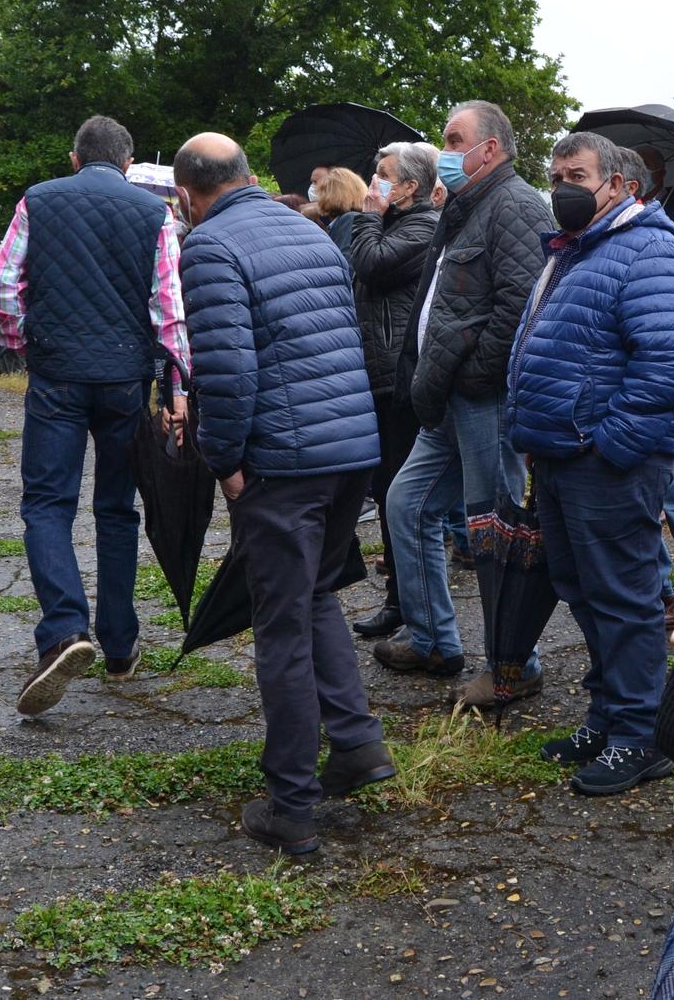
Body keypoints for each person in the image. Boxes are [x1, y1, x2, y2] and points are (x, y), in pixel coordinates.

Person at [173, 132, 393, 856]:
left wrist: (225, 459)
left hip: (284, 462)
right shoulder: (310, 232)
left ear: (186, 194)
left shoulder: (208, 246)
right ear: (247, 175)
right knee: (319, 592)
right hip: (349, 449)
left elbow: (228, 370)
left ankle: (292, 803)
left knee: (281, 626)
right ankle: (357, 744)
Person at [509, 131, 674, 794]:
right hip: (563, 455)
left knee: (624, 597)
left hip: (605, 461)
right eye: (556, 172)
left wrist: (609, 442)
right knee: (582, 589)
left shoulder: (647, 247)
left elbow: (669, 361)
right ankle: (608, 714)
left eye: (577, 174)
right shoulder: (579, 249)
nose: (562, 185)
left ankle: (641, 736)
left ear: (620, 185)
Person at [0, 116, 191, 715]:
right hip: (125, 380)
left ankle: (65, 631)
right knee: (116, 509)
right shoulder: (155, 215)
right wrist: (176, 385)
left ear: (75, 158)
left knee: (47, 503)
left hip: (58, 375)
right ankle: (121, 646)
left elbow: (0, 291)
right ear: (127, 165)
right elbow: (169, 309)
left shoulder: (39, 200)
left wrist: (26, 347)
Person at [378, 100, 554, 706]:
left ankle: (514, 663)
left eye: (455, 140)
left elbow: (522, 307)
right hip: (447, 397)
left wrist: (473, 374)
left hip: (484, 400)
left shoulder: (516, 204)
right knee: (407, 505)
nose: (445, 151)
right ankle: (433, 640)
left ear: (492, 148)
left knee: (494, 529)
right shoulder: (462, 206)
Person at [347, 142, 441, 639]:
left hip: (400, 375)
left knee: (401, 494)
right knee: (386, 490)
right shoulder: (392, 223)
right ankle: (399, 599)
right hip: (379, 372)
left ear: (409, 186)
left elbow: (372, 264)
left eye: (382, 175)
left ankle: (411, 604)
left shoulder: (423, 226)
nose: (373, 184)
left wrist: (367, 218)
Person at [315, 166, 369, 258]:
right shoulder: (346, 220)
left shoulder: (349, 220)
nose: (318, 196)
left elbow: (346, 262)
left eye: (322, 191)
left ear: (333, 194)